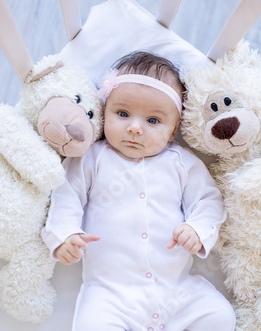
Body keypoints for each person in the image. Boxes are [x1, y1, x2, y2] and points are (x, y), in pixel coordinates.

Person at [42, 51, 236, 331]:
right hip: (110, 295)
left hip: (176, 291)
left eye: (153, 121)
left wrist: (197, 229)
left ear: (173, 131)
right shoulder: (91, 158)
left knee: (219, 316)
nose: (134, 128)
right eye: (122, 114)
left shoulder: (181, 162)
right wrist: (64, 236)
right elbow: (66, 196)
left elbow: (209, 200)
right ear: (104, 110)